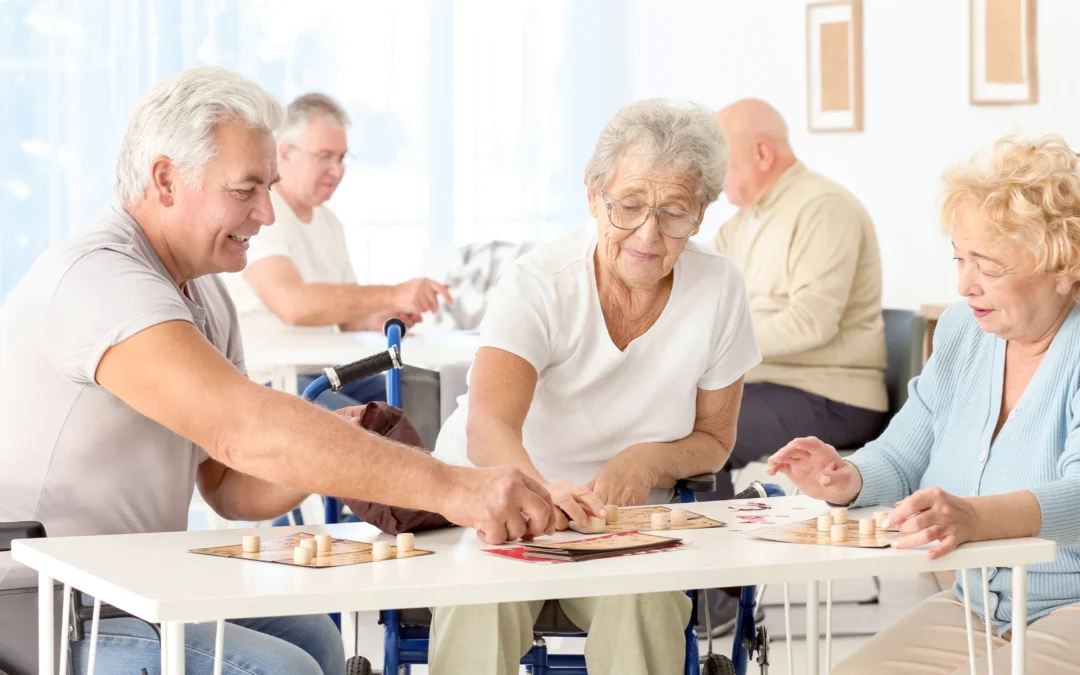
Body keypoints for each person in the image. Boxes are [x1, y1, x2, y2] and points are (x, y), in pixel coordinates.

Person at [0, 66, 556, 675]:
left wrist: (335, 441)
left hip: (128, 584)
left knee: (316, 637)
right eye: (246, 190)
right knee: (280, 666)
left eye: (269, 187)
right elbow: (242, 430)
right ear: (165, 180)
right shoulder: (98, 279)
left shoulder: (205, 294)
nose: (267, 214)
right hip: (39, 604)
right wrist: (458, 487)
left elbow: (228, 485)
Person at [427, 99, 761, 675]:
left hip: (620, 522)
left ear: (701, 214)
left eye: (674, 212)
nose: (648, 234)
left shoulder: (720, 288)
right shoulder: (540, 283)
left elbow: (714, 437)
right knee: (481, 600)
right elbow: (489, 424)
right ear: (593, 197)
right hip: (502, 497)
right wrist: (534, 489)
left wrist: (650, 462)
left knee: (647, 603)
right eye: (628, 206)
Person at [769, 136, 1080, 675]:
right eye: (960, 259)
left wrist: (975, 517)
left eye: (988, 266)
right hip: (976, 608)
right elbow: (903, 453)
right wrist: (847, 477)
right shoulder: (963, 330)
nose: (964, 285)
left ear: (1063, 263)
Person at [696, 97, 889, 634]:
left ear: (761, 152)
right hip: (773, 385)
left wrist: (711, 349)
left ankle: (713, 609)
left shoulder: (822, 207)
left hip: (834, 395)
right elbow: (712, 311)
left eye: (721, 159)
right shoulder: (740, 225)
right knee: (668, 418)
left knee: (706, 435)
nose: (712, 174)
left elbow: (811, 323)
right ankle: (687, 587)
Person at [225, 92, 452, 409]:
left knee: (424, 394)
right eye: (325, 156)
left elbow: (347, 319)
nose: (338, 170)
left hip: (324, 372)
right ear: (285, 154)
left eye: (342, 158)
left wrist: (380, 318)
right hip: (274, 378)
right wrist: (393, 294)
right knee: (374, 427)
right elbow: (293, 305)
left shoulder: (328, 222)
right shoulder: (263, 213)